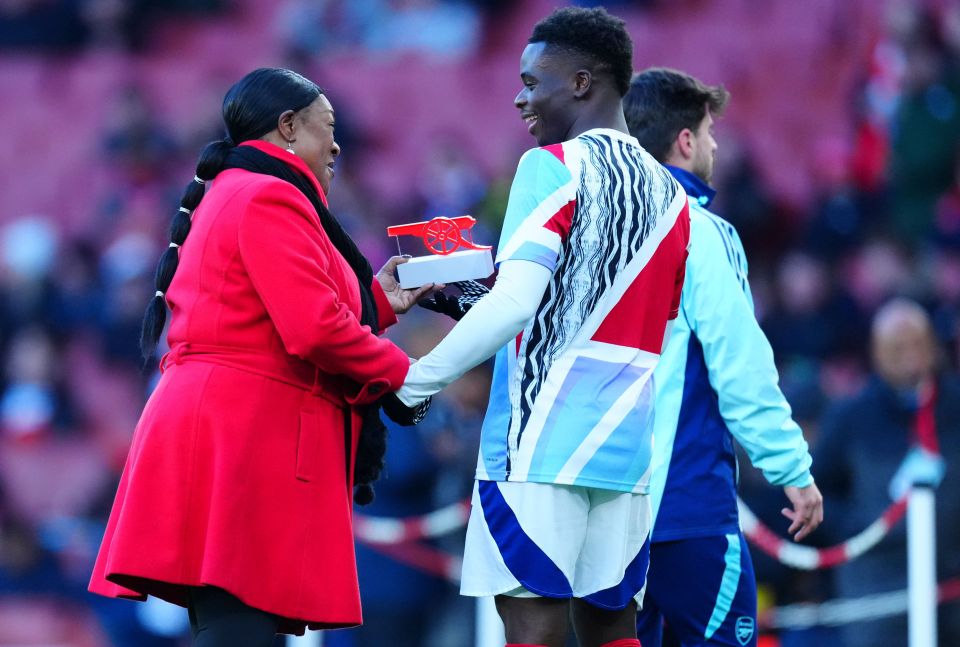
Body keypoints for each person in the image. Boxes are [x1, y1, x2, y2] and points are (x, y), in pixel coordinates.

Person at [88, 68, 433, 647]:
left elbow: (272, 316)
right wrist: (408, 376)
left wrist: (377, 303)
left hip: (225, 421)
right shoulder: (270, 195)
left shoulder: (243, 190)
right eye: (328, 127)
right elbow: (315, 329)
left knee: (232, 625)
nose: (338, 143)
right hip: (242, 430)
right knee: (238, 629)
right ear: (289, 127)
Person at [400, 8, 690, 647]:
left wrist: (413, 384)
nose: (519, 96)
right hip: (626, 447)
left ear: (582, 83)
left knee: (531, 630)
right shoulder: (672, 196)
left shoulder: (549, 167)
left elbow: (517, 307)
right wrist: (455, 298)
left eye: (533, 82)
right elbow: (597, 311)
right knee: (614, 628)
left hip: (540, 443)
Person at [622, 68, 823, 647]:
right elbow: (741, 370)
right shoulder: (702, 233)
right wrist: (791, 470)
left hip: (601, 508)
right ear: (685, 140)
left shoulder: (591, 233)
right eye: (708, 133)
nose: (713, 146)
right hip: (684, 506)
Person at [815, 299, 960, 647]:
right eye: (897, 347)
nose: (909, 354)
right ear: (876, 353)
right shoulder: (851, 418)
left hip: (953, 586)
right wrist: (865, 528)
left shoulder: (956, 407)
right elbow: (816, 496)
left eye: (917, 343)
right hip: (876, 594)